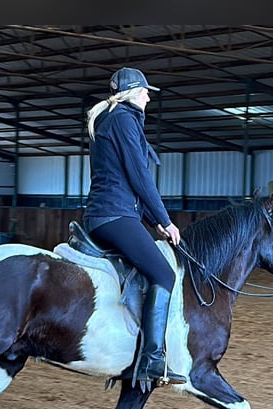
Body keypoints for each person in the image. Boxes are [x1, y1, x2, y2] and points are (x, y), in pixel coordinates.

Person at [83, 66, 185, 386]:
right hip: (115, 215)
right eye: (144, 90)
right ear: (130, 92)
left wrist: (153, 222)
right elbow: (140, 177)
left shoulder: (111, 120)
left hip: (109, 213)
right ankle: (153, 359)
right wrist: (165, 221)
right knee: (164, 274)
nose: (149, 96)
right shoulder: (124, 120)